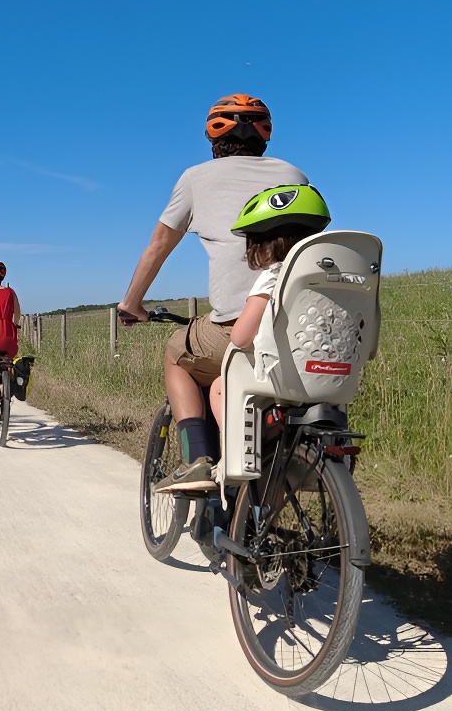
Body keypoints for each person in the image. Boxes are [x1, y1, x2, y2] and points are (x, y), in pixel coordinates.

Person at [117, 94, 310, 492]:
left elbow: (157, 247)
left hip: (238, 326)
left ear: (212, 138)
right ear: (265, 136)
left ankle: (198, 461)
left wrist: (131, 304)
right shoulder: (294, 173)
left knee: (177, 353)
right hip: (299, 326)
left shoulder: (195, 178)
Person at [206, 184, 333, 442]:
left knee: (220, 388)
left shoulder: (274, 278)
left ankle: (240, 449)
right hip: (330, 372)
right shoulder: (329, 278)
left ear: (264, 246)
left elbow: (240, 338)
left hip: (285, 377)